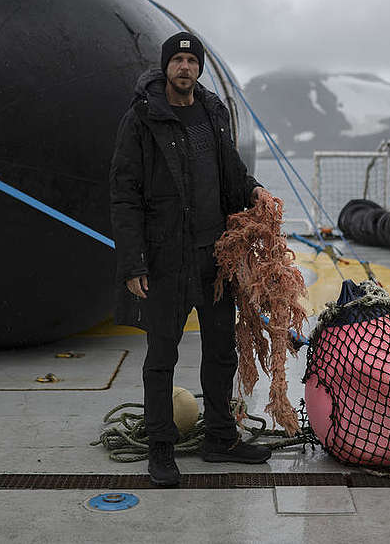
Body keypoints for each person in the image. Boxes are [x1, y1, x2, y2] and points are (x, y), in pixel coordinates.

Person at [109, 31, 272, 487]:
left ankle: (220, 438)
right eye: (177, 60)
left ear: (199, 68)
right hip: (165, 261)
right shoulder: (142, 119)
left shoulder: (213, 113)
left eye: (191, 60)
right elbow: (124, 194)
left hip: (215, 258)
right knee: (161, 355)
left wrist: (254, 190)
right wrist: (133, 263)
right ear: (166, 67)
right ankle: (161, 448)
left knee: (221, 351)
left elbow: (231, 173)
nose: (184, 67)